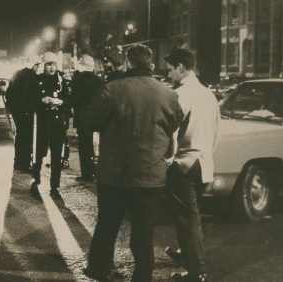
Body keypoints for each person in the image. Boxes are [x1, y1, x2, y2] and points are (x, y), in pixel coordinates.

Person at [82, 44, 183, 282]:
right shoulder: (168, 94)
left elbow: (88, 122)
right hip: (150, 175)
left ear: (127, 63)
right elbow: (175, 124)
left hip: (114, 174)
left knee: (107, 224)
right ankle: (142, 276)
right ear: (150, 63)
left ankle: (99, 269)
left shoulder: (112, 90)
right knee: (144, 231)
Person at [163, 48, 220, 282]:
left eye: (170, 70)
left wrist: (169, 160)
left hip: (185, 162)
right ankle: (184, 252)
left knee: (187, 218)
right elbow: (217, 131)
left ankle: (196, 271)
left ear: (180, 68)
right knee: (189, 214)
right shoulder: (209, 94)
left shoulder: (181, 95)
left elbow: (172, 132)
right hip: (205, 162)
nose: (168, 75)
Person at [30, 52, 70, 200]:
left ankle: (55, 187)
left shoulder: (61, 80)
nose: (52, 67)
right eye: (49, 64)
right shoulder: (37, 80)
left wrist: (61, 103)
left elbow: (68, 100)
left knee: (56, 157)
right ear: (44, 66)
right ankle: (36, 181)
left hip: (57, 124)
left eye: (54, 64)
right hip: (41, 123)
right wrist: (42, 100)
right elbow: (29, 100)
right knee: (39, 155)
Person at [4, 55, 41, 172]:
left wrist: (11, 108)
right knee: (27, 137)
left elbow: (8, 94)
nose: (38, 68)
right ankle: (25, 164)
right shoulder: (33, 76)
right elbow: (33, 95)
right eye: (37, 65)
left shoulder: (16, 74)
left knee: (20, 136)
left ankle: (18, 163)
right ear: (33, 65)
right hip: (27, 110)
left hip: (17, 111)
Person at [71, 54, 104, 182]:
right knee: (95, 145)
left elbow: (75, 98)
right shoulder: (98, 80)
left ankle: (87, 173)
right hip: (95, 116)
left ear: (82, 65)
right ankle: (96, 171)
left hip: (82, 116)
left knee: (84, 146)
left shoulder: (79, 79)